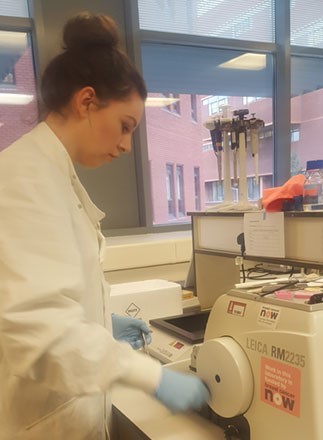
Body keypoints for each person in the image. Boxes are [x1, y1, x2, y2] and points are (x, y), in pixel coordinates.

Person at [0, 13, 209, 439]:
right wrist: (150, 378)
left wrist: (99, 319)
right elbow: (38, 332)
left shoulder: (54, 175)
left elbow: (46, 291)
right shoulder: (23, 179)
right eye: (125, 126)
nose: (126, 146)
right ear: (87, 101)